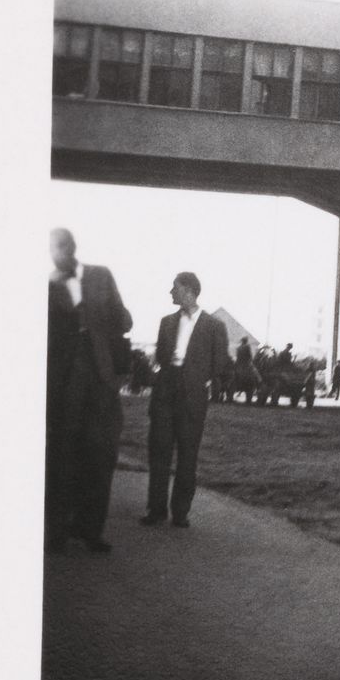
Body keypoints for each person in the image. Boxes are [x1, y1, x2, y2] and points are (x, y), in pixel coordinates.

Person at [46, 228, 133, 553]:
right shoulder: (46, 285)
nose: (57, 254)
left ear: (73, 247)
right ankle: (57, 531)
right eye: (52, 249)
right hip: (64, 384)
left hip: (101, 382)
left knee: (101, 455)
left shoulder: (100, 275)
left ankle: (90, 529)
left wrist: (108, 320)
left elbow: (123, 321)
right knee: (62, 456)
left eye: (60, 247)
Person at [141, 272, 230, 529]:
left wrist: (202, 381)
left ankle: (180, 513)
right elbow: (160, 355)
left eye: (175, 288)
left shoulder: (214, 326)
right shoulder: (166, 322)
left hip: (192, 397)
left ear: (189, 291)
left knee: (188, 455)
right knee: (159, 451)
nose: (171, 292)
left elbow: (220, 362)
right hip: (165, 393)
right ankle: (155, 510)